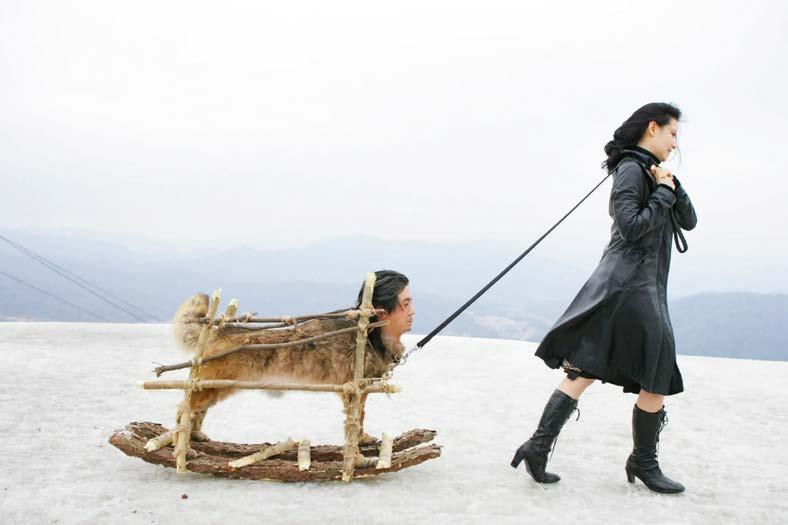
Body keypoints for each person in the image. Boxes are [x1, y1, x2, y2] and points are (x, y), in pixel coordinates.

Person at [510, 102, 697, 494]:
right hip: (630, 287)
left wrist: (671, 185)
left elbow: (689, 221)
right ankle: (643, 462)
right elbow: (631, 227)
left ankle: (538, 447)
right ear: (652, 128)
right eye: (672, 133)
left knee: (590, 365)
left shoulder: (653, 171)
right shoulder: (631, 170)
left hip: (637, 285)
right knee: (655, 369)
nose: (675, 142)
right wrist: (663, 191)